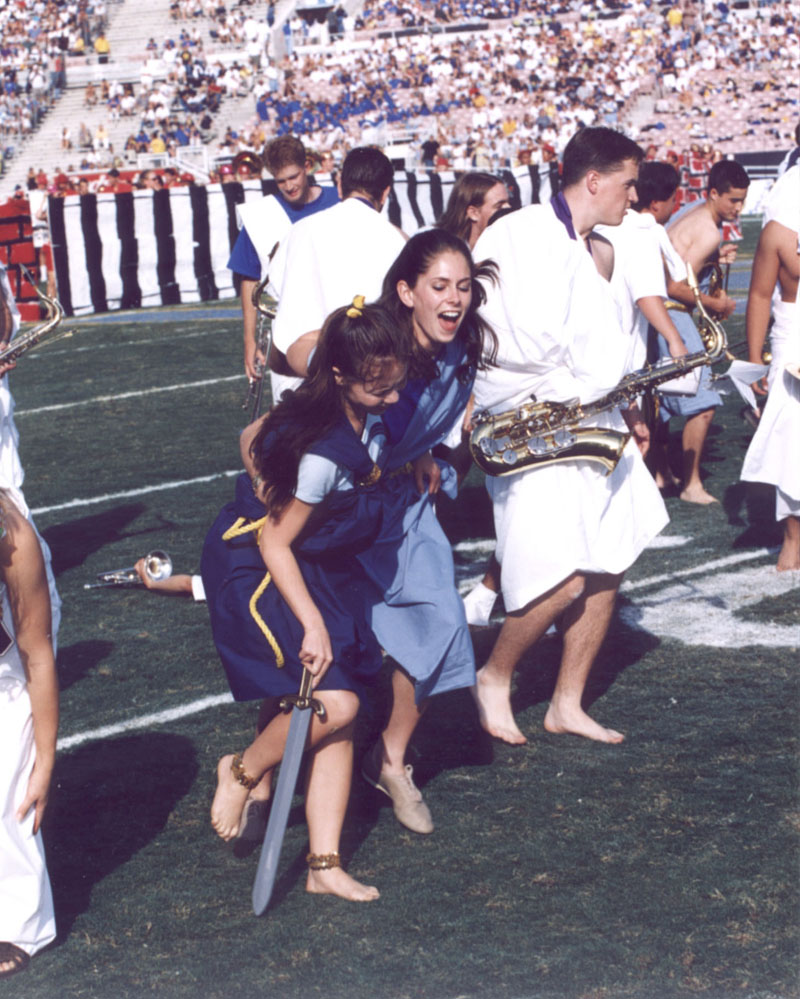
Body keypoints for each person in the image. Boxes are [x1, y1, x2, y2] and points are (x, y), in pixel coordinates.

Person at [202, 300, 410, 903]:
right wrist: (314, 625)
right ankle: (242, 771)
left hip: (310, 560)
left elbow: (254, 437)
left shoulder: (351, 407)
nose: (392, 400)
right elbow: (274, 538)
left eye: (396, 386)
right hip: (261, 562)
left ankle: (324, 866)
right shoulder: (323, 453)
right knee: (338, 703)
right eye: (381, 392)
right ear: (341, 376)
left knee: (339, 710)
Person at [471, 126, 669, 746]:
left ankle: (566, 702)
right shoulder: (521, 234)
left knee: (610, 560)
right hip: (536, 430)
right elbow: (509, 344)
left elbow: (603, 344)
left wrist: (628, 402)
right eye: (629, 183)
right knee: (559, 576)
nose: (635, 197)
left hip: (597, 423)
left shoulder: (594, 245)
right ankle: (494, 676)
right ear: (594, 180)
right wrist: (600, 384)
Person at [359, 230, 497, 834]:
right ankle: (256, 775)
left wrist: (423, 454)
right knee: (319, 647)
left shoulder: (463, 345)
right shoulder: (377, 348)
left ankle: (389, 760)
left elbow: (425, 427)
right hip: (344, 511)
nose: (455, 299)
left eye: (464, 287)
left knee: (442, 621)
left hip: (405, 508)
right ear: (406, 290)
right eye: (440, 286)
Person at [654, 159, 750, 504]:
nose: (738, 208)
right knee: (704, 401)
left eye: (742, 200)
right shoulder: (710, 230)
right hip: (672, 311)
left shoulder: (695, 210)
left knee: (660, 399)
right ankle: (691, 485)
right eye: (733, 201)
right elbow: (675, 285)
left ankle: (662, 473)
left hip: (656, 311)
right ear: (713, 193)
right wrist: (717, 305)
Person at [270, 146, 406, 386]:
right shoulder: (398, 239)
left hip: (303, 374)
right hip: (373, 378)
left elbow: (275, 298)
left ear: (340, 186)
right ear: (385, 193)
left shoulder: (300, 229)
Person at [227, 136, 338, 393]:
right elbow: (249, 279)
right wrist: (249, 340)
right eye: (280, 181)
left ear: (307, 166)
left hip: (339, 323)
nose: (289, 186)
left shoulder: (338, 200)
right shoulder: (262, 216)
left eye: (294, 176)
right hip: (288, 331)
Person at [0, 490, 58, 980]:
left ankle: (17, 926)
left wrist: (44, 761)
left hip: (9, 670)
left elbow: (37, 652)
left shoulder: (14, 538)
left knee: (9, 801)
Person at [741, 164, 799, 571]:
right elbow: (760, 295)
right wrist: (754, 360)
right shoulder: (779, 230)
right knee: (793, 443)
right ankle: (793, 540)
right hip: (793, 339)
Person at [435, 172, 510, 249]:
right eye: (499, 206)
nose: (509, 208)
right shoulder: (441, 250)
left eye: (508, 203)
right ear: (473, 213)